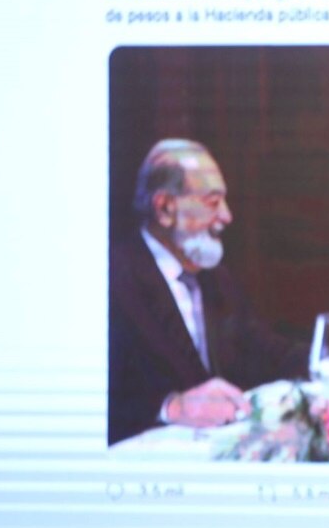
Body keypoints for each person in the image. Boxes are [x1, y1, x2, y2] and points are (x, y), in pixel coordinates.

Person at [108, 139, 308, 445]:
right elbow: (100, 396)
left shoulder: (215, 277)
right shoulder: (112, 280)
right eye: (213, 202)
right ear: (165, 208)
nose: (227, 216)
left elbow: (264, 351)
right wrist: (172, 407)